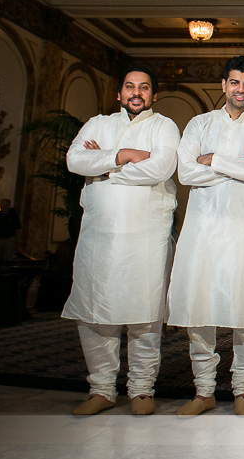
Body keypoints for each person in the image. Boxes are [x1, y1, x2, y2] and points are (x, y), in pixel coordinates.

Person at [62, 67, 179, 415]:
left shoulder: (164, 126)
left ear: (153, 95)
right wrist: (123, 155)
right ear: (119, 93)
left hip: (146, 235)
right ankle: (101, 389)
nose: (136, 93)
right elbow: (74, 160)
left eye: (144, 87)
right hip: (99, 234)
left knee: (145, 312)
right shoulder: (97, 124)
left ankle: (142, 389)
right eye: (130, 86)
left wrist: (102, 168)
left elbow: (160, 169)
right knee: (96, 312)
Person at [167, 56, 244, 416]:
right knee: (199, 308)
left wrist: (212, 160)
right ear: (223, 85)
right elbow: (185, 173)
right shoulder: (199, 123)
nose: (240, 90)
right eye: (234, 82)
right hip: (202, 228)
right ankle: (204, 390)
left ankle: (243, 389)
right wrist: (238, 162)